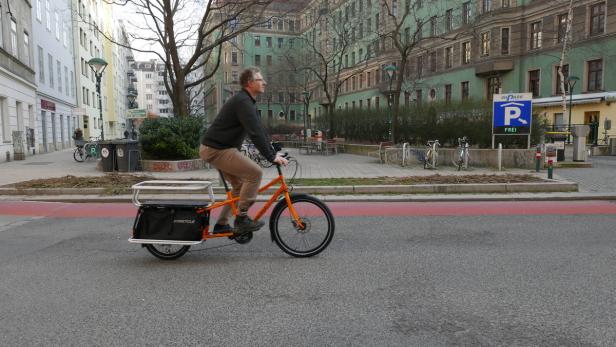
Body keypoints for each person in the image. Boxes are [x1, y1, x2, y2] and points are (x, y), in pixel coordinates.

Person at [200, 67, 288, 235]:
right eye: (260, 80)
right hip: (216, 149)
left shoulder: (247, 102)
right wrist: (270, 157)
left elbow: (259, 129)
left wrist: (273, 148)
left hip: (220, 148)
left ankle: (221, 224)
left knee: (239, 186)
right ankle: (241, 219)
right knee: (255, 173)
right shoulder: (242, 102)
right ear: (250, 83)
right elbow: (254, 133)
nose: (264, 82)